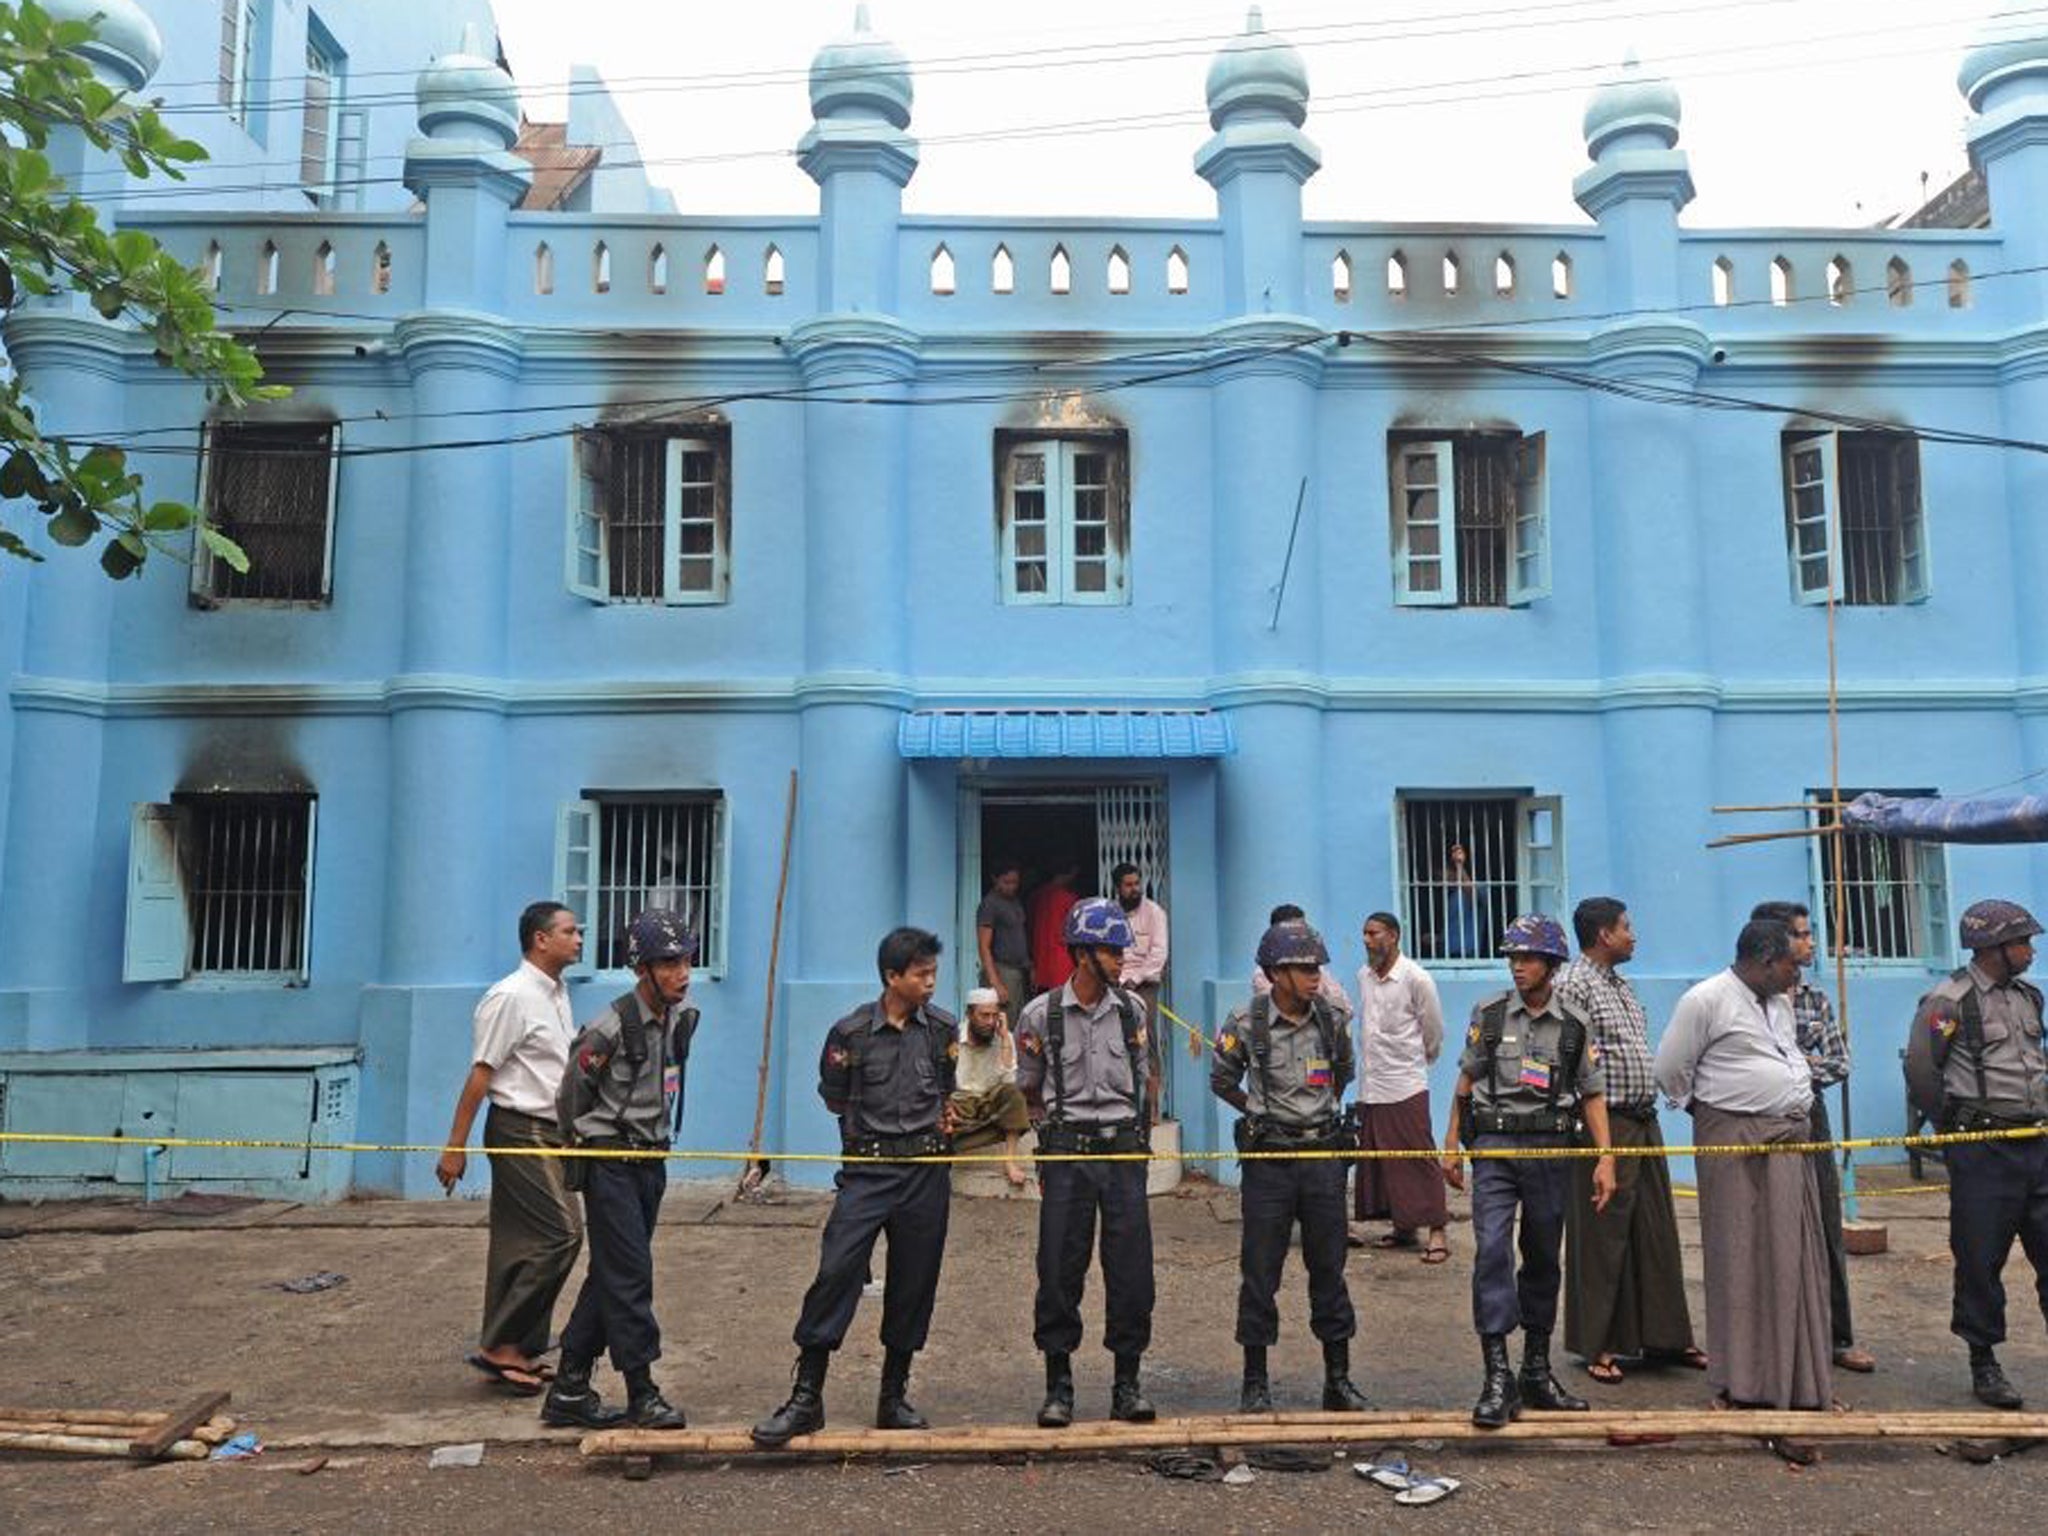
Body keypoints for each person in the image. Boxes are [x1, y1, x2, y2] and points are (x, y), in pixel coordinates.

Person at [752, 929, 959, 1446]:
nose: (930, 983)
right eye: (920, 974)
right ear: (893, 977)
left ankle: (893, 1396)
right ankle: (806, 1397)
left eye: (933, 973)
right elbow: (834, 1098)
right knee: (837, 1272)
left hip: (926, 1174)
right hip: (867, 1174)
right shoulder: (850, 1034)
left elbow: (947, 1090)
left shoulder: (943, 1030)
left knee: (914, 1284)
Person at [1655, 918, 1831, 1449]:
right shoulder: (1706, 1000)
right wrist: (1719, 1117)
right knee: (1744, 1263)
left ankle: (1797, 1380)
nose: (1795, 974)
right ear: (1762, 960)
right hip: (1737, 1146)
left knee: (1796, 1262)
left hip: (1788, 1144)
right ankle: (1748, 1384)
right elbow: (1670, 1072)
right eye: (1789, 965)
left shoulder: (1777, 1002)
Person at [1441, 914, 1615, 1429]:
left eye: (1528, 957)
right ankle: (1497, 1377)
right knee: (1491, 1250)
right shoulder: (1489, 1014)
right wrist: (1451, 1143)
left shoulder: (1574, 1022)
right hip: (1494, 1144)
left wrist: (1607, 1158)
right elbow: (1466, 1079)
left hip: (1551, 1148)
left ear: (1552, 965)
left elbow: (1592, 1093)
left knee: (1542, 1256)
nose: (1518, 966)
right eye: (1513, 957)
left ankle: (1535, 1372)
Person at [540, 909, 701, 1431]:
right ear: (642, 968)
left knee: (611, 1274)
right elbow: (571, 1095)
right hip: (610, 1161)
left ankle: (568, 1387)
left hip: (651, 1163)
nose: (682, 973)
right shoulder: (608, 1028)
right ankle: (642, 1391)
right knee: (631, 1276)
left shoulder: (682, 1018)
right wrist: (585, 1143)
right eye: (669, 963)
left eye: (687, 960)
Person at [1212, 920, 1372, 1413]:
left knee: (1330, 1269)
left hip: (1323, 1157)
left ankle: (1338, 1381)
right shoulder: (1245, 1022)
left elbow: (1343, 1072)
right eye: (1303, 968)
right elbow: (1222, 1079)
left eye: (1316, 966)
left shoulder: (1331, 1019)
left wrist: (1313, 1114)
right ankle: (1255, 1382)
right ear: (1275, 973)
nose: (1314, 977)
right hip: (1271, 1162)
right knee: (1260, 1271)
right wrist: (1262, 1116)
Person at [1015, 897, 1157, 1427]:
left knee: (1131, 1271)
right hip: (1067, 1153)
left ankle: (1127, 1384)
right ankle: (1059, 1387)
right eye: (1112, 951)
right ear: (1081, 953)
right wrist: (1049, 1140)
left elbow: (1145, 1080)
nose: (1122, 961)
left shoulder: (1132, 1012)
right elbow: (1027, 1089)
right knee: (1057, 1268)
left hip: (1121, 1152)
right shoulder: (1039, 1014)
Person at [436, 901, 586, 1396]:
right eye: (569, 931)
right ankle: (499, 1345)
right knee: (562, 1233)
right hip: (521, 1129)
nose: (579, 939)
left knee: (523, 1239)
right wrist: (454, 1147)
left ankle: (518, 1348)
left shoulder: (558, 993)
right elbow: (482, 1073)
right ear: (541, 939)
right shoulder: (511, 997)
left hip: (553, 1129)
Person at [1905, 899, 2048, 1410]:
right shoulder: (1949, 1001)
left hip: (2037, 1145)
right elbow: (1923, 1070)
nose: (2031, 951)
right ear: (1993, 949)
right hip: (1983, 1150)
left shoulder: (2029, 996)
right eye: (2022, 943)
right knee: (1980, 1258)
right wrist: (1953, 1127)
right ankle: (1984, 1363)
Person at [1556, 897, 1705, 1384]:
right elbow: (1576, 1062)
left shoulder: (1617, 984)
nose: (1633, 935)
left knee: (1654, 1230)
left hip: (1642, 1121)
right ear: (1603, 935)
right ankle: (1598, 1343)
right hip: (1606, 1122)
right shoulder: (1575, 984)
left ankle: (1665, 1337)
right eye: (1626, 927)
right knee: (1603, 1236)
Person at [1754, 899, 1876, 1376]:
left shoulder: (1815, 999)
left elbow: (1839, 1063)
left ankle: (1837, 1337)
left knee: (1825, 1225)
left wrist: (1792, 1069)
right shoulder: (1745, 1000)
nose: (1811, 943)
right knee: (1765, 1228)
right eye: (1802, 935)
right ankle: (1771, 1336)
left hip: (1811, 1115)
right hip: (1760, 1121)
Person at [1351, 911, 1450, 1262]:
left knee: (1417, 1156)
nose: (1366, 939)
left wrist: (1422, 1059)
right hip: (1372, 1083)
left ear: (1392, 936)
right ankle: (1403, 1227)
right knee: (1382, 1161)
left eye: (1373, 933)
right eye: (1364, 933)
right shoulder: (1363, 976)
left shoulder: (1416, 978)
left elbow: (1434, 1029)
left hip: (1405, 1081)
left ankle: (1437, 1229)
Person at [950, 986, 1031, 1188]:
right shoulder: (951, 1038)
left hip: (988, 1102)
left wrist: (1004, 1039)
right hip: (958, 1104)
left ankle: (1009, 1161)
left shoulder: (1004, 1038)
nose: (990, 1022)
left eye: (995, 1016)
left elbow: (1009, 1082)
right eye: (984, 1015)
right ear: (969, 1014)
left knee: (1014, 1095)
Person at [1113, 862, 1171, 1125]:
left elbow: (1158, 954)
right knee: (1112, 1041)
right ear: (1118, 887)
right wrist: (1118, 980)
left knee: (1145, 1043)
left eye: (1137, 883)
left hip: (1144, 984)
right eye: (1128, 885)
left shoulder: (1155, 913)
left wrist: (1133, 980)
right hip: (1114, 982)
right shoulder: (1111, 913)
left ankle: (1152, 1108)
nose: (1135, 889)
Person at [1251, 903, 1355, 1022]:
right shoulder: (1264, 973)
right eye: (1295, 931)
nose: (1303, 935)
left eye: (1303, 928)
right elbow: (1281, 1010)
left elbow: (1346, 1009)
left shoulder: (1317, 969)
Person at [975, 863, 1031, 1029]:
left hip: (1019, 971)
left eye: (1015, 882)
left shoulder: (1015, 902)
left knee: (1019, 1023)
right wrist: (996, 983)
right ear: (995, 879)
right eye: (1006, 882)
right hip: (1002, 971)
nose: (1012, 887)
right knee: (1003, 1025)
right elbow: (984, 946)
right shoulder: (989, 905)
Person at [1027, 864, 1083, 997]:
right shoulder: (1070, 899)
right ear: (1071, 873)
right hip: (1064, 964)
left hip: (1040, 964)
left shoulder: (1035, 897)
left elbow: (1029, 930)